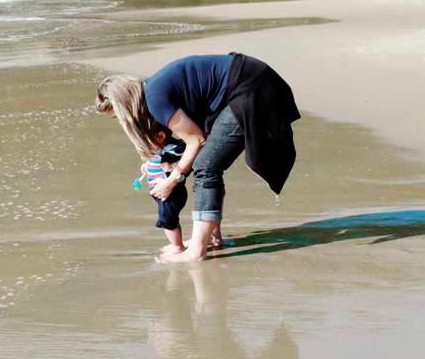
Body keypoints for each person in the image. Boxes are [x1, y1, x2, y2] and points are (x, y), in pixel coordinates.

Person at [96, 53, 299, 263]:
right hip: (251, 81)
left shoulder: (155, 98)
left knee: (206, 166)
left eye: (117, 117)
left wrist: (172, 180)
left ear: (124, 106)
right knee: (209, 164)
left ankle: (197, 251)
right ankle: (212, 237)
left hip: (252, 87)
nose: (121, 123)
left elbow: (196, 141)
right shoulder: (153, 91)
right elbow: (191, 140)